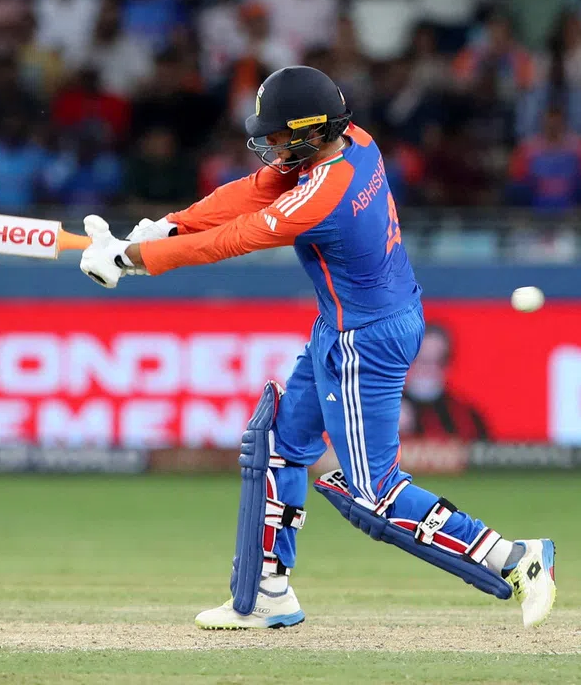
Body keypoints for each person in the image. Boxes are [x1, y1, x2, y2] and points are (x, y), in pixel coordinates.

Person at [77, 66, 556, 630]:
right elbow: (255, 190)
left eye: (281, 135)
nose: (272, 146)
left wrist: (131, 259)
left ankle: (515, 558)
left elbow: (236, 237)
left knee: (375, 495)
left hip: (364, 340)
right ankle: (268, 594)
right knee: (279, 443)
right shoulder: (357, 143)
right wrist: (166, 228)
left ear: (313, 130)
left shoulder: (324, 195)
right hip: (354, 322)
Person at [399, 323, 492, 441]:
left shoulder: (466, 417)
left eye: (436, 361)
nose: (426, 368)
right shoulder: (386, 410)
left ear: (447, 365)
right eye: (419, 359)